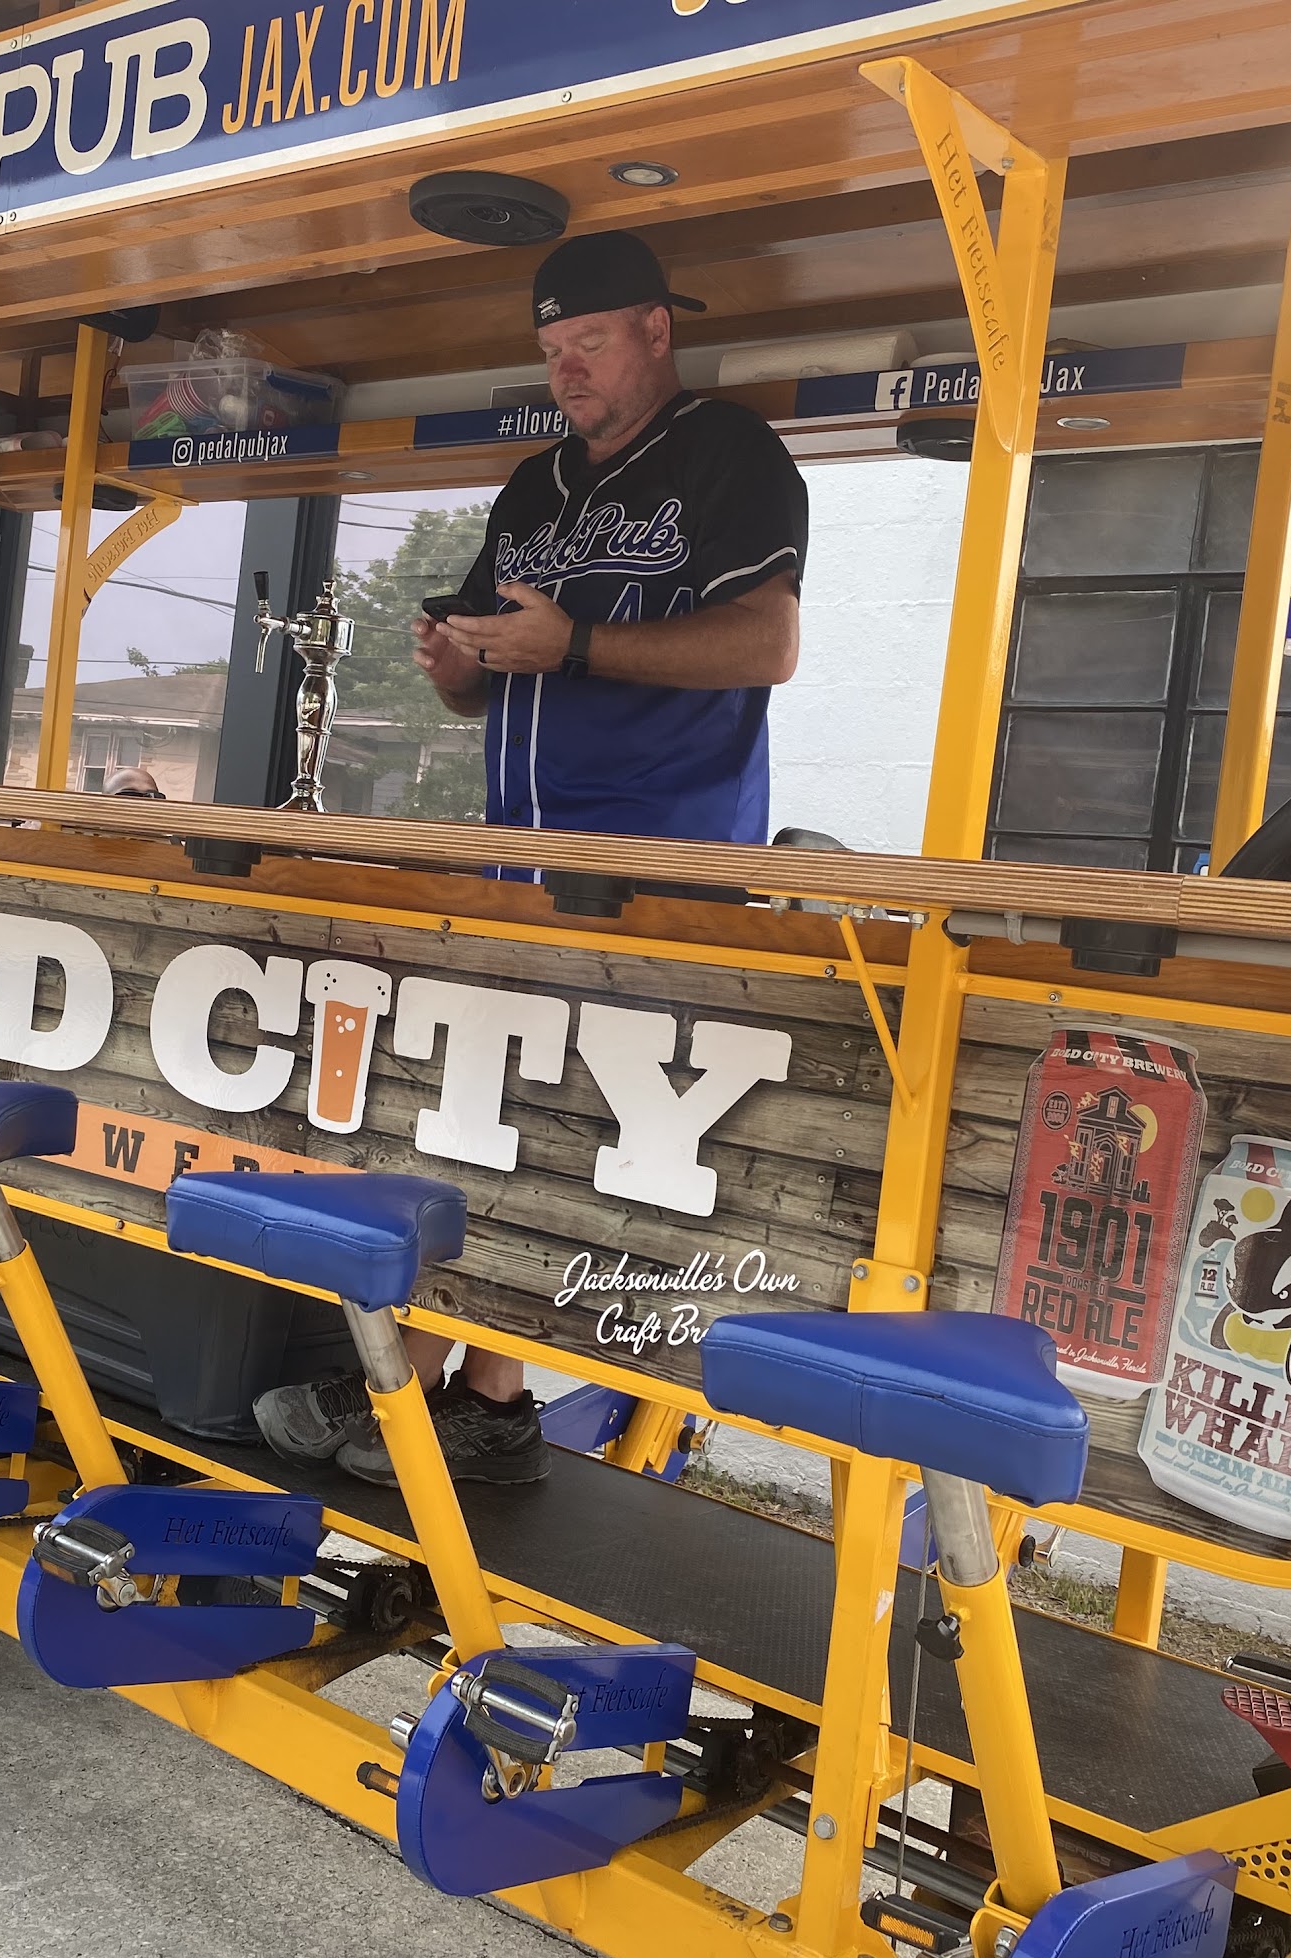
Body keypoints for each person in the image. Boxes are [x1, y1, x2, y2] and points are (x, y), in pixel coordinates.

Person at [252, 231, 808, 1488]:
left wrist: (576, 648)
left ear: (656, 330)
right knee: (484, 1119)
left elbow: (766, 643)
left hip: (659, 863)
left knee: (570, 1141)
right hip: (516, 860)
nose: (564, 371)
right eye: (550, 351)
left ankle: (482, 1390)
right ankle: (436, 1379)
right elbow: (496, 663)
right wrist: (460, 667)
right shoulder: (532, 486)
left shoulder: (728, 452)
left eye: (588, 344)